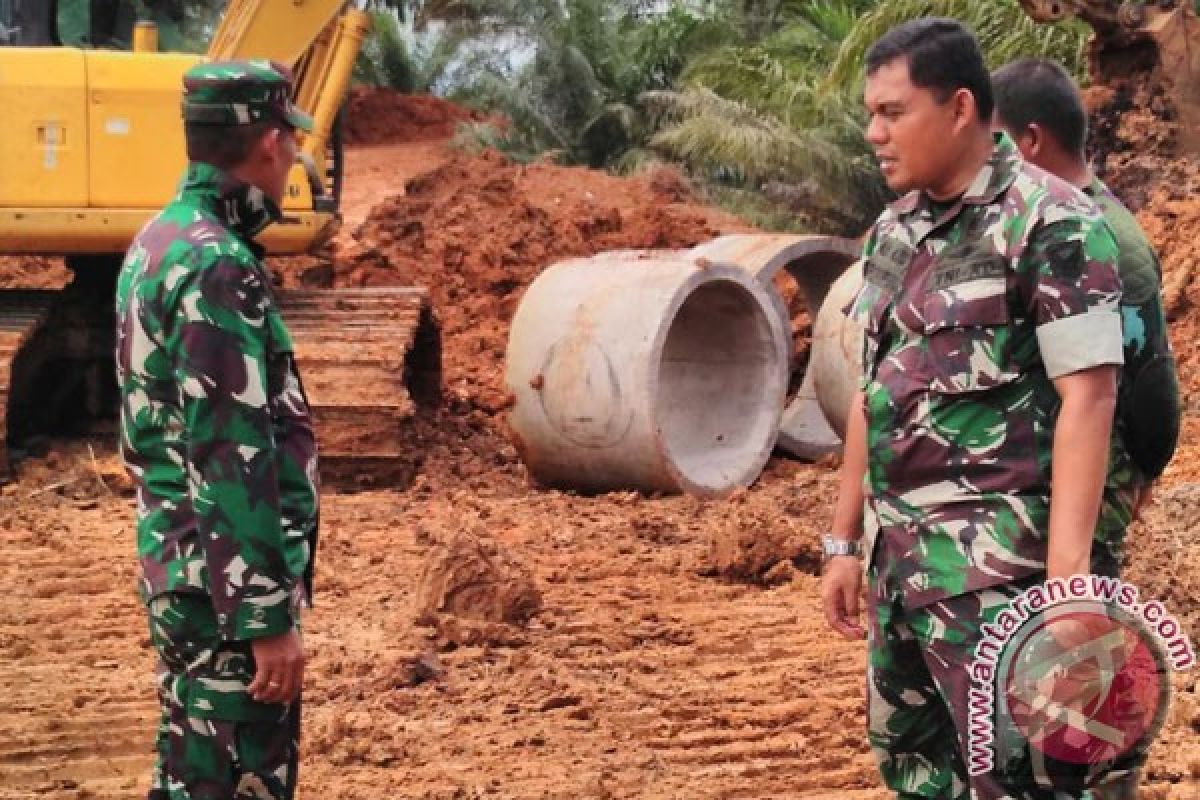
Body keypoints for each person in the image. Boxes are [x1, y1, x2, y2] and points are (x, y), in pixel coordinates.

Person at [818, 18, 1139, 799]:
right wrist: (842, 537)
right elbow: (874, 386)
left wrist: (1068, 582)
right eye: (871, 113)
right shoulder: (893, 231)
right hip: (903, 582)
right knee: (920, 778)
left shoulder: (1050, 222)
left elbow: (1090, 396)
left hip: (1005, 581)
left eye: (893, 112)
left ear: (960, 108)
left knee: (1032, 783)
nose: (874, 132)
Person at [115, 60, 320, 800]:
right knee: (238, 779)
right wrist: (264, 615)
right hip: (221, 594)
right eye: (291, 142)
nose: (295, 157)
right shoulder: (214, 265)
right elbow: (228, 450)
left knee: (193, 775)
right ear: (269, 142)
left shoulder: (159, 240)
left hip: (186, 575)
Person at [992, 57, 1181, 560]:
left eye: (994, 139)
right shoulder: (1021, 223)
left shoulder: (1111, 236)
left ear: (1029, 142)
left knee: (1074, 629)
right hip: (1022, 485)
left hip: (1086, 485)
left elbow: (1151, 378)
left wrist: (1143, 469)